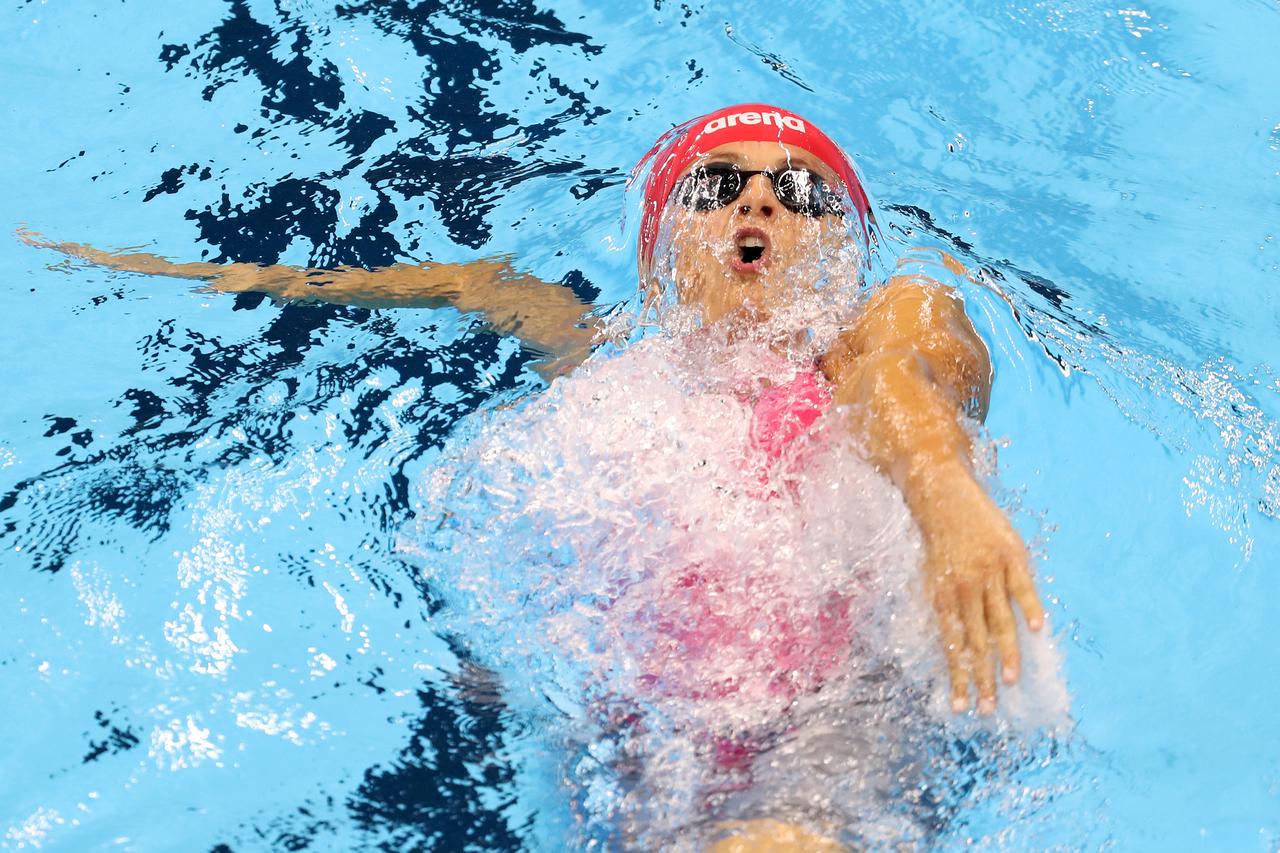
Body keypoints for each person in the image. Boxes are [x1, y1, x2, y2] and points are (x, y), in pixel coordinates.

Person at [21, 102, 1046, 849]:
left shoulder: (886, 322)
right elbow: (477, 285)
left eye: (802, 193)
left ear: (841, 251)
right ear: (661, 248)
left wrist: (946, 500)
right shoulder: (602, 371)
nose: (760, 201)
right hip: (639, 735)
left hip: (846, 710)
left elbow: (904, 384)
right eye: (717, 184)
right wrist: (193, 274)